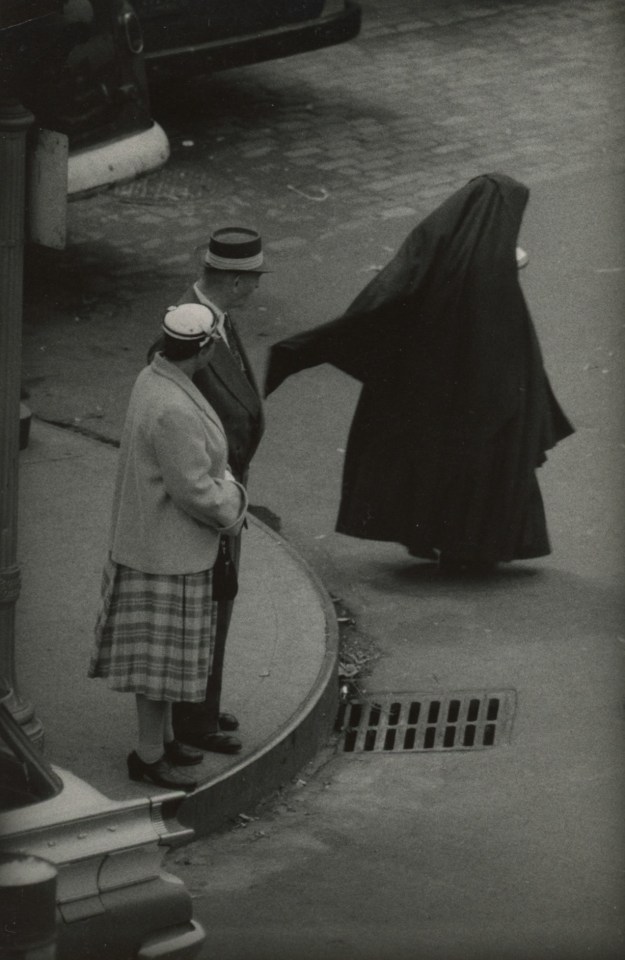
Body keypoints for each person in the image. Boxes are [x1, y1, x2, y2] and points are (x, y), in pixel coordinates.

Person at [265, 173, 574, 572]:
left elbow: (389, 297)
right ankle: (471, 548)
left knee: (437, 465)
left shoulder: (438, 246)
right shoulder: (492, 266)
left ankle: (438, 539)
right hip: (484, 393)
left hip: (433, 389)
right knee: (483, 471)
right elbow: (505, 340)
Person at [89, 304, 248, 790]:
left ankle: (166, 739)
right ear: (200, 350)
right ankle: (149, 754)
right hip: (167, 554)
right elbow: (194, 490)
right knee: (161, 667)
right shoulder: (174, 408)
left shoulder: (152, 378)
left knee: (165, 663)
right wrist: (234, 501)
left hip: (152, 544)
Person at [148, 227, 267, 753]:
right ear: (236, 282)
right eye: (253, 279)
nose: (256, 288)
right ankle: (194, 721)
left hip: (223, 487)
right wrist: (224, 497)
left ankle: (204, 708)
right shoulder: (188, 332)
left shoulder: (215, 320)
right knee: (205, 607)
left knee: (219, 602)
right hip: (209, 495)